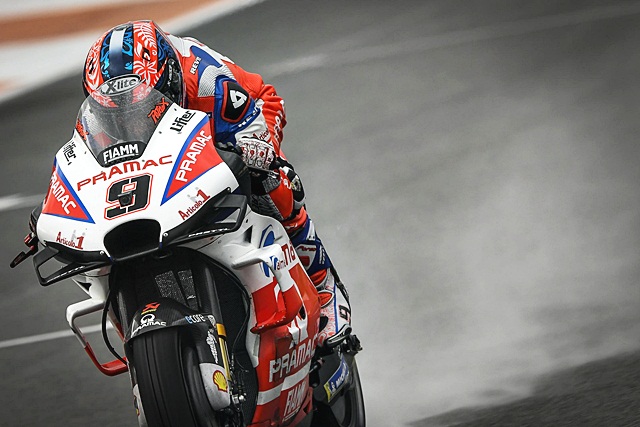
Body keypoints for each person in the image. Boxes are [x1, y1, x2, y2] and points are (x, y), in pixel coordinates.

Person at [82, 20, 352, 348]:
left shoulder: (210, 83)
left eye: (138, 105)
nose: (129, 119)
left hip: (241, 118)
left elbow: (256, 120)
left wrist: (255, 148)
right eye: (118, 111)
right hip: (163, 142)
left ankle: (323, 285)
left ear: (170, 81)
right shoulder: (101, 110)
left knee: (271, 180)